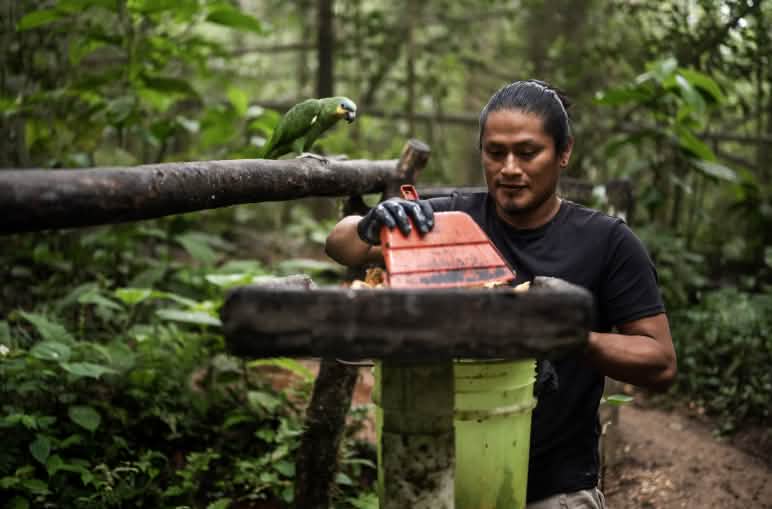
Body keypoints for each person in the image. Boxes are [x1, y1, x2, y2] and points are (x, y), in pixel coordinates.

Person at [325, 79, 677, 508]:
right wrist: (368, 224)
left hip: (555, 490)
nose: (509, 168)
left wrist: (567, 337)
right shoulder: (449, 222)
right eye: (495, 153)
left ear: (563, 153)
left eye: (527, 153)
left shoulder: (607, 243)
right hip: (438, 474)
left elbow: (659, 362)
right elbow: (339, 245)